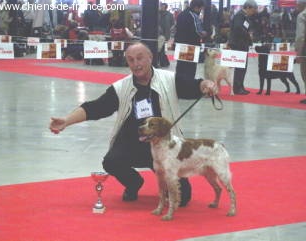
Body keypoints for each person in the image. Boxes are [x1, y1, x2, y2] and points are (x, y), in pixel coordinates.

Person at [49, 42, 218, 206]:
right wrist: (67, 121)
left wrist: (206, 85)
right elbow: (95, 108)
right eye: (131, 60)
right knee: (111, 161)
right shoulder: (121, 87)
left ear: (150, 58)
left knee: (182, 200)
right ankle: (133, 183)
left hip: (164, 149)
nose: (136, 64)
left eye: (140, 58)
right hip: (131, 144)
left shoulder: (169, 79)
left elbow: (194, 85)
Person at [228, 0, 258, 95]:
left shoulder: (245, 16)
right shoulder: (240, 15)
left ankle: (241, 86)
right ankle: (237, 88)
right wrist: (248, 35)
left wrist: (250, 33)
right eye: (253, 10)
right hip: (238, 44)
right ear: (248, 7)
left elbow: (247, 28)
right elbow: (238, 28)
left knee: (243, 67)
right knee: (240, 67)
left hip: (243, 44)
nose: (254, 12)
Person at [174, 0, 206, 83]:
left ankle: (178, 85)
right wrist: (203, 33)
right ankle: (188, 87)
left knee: (181, 66)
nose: (200, 11)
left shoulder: (181, 14)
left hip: (181, 44)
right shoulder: (193, 16)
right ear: (196, 7)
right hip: (191, 45)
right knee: (190, 68)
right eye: (200, 9)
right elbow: (198, 31)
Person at [295, 0, 306, 104]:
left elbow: (301, 36)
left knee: (305, 72)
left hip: (305, 49)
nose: (296, 6)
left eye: (297, 4)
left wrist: (299, 52)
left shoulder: (302, 15)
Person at [158, 3, 175, 67]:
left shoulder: (169, 15)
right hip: (158, 34)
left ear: (165, 7)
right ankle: (164, 62)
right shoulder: (157, 14)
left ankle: (163, 62)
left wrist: (170, 29)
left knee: (161, 49)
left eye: (162, 6)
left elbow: (173, 23)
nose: (161, 7)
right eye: (160, 6)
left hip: (165, 34)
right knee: (160, 49)